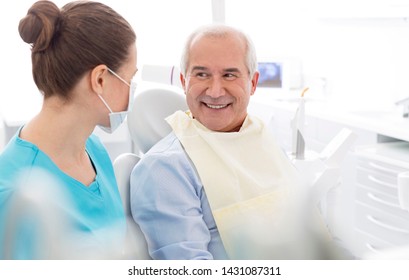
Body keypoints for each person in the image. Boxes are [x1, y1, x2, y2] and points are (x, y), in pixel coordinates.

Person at [130, 24, 332, 260]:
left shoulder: (259, 138)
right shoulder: (166, 169)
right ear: (184, 81)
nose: (215, 91)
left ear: (253, 83)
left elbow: (315, 230)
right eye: (202, 74)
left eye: (229, 75)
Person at [0, 0, 137, 259]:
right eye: (130, 79)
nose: (133, 91)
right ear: (99, 80)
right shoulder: (14, 195)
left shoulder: (93, 149)